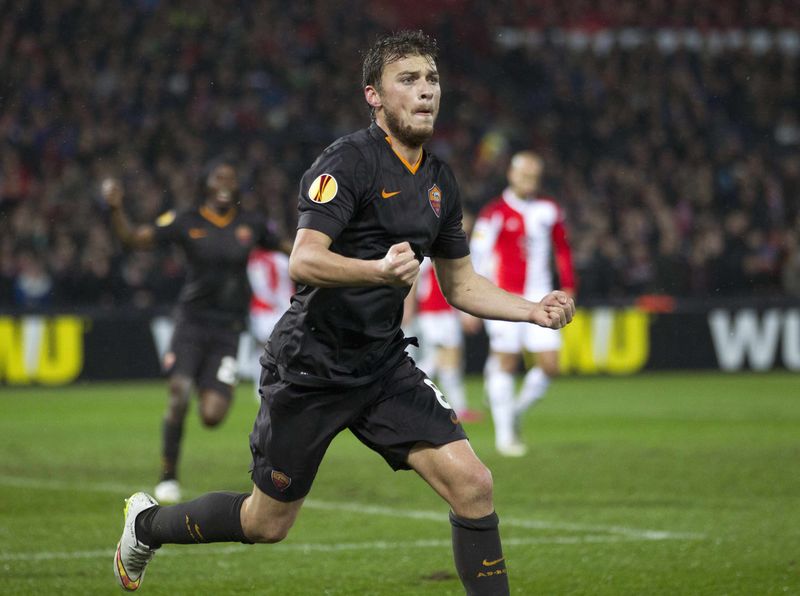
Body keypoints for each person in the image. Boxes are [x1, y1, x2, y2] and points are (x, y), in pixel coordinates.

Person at [113, 31, 574, 595]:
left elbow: (460, 285)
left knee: (474, 484)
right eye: (408, 79)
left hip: (381, 364)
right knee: (266, 523)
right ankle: (147, 525)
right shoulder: (347, 163)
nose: (425, 91)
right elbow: (304, 260)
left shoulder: (440, 181)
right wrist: (377, 271)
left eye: (431, 79)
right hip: (311, 366)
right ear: (373, 95)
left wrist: (532, 309)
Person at [102, 161, 286, 504]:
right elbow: (134, 239)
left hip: (229, 329)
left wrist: (328, 241)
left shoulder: (252, 224)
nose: (225, 184)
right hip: (191, 322)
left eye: (231, 179)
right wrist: (116, 209)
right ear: (206, 183)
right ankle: (168, 474)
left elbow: (290, 246)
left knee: (212, 416)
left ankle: (207, 379)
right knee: (178, 392)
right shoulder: (186, 220)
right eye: (219, 178)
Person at [469, 151, 576, 457]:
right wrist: (474, 300)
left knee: (550, 365)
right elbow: (476, 258)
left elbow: (563, 249)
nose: (531, 181)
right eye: (525, 175)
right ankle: (505, 436)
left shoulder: (549, 209)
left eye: (535, 176)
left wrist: (568, 285)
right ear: (512, 175)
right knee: (506, 361)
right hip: (504, 299)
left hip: (542, 297)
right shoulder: (494, 213)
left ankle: (514, 411)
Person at [403, 257, 483, 422]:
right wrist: (409, 307)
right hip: (434, 311)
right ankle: (406, 390)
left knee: (449, 362)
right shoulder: (427, 253)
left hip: (444, 311)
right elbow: (415, 279)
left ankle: (458, 408)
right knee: (443, 358)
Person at [245, 247, 294, 398]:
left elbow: (260, 287)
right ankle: (276, 384)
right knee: (280, 350)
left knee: (263, 349)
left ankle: (261, 386)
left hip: (264, 310)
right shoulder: (283, 258)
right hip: (283, 308)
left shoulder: (255, 260)